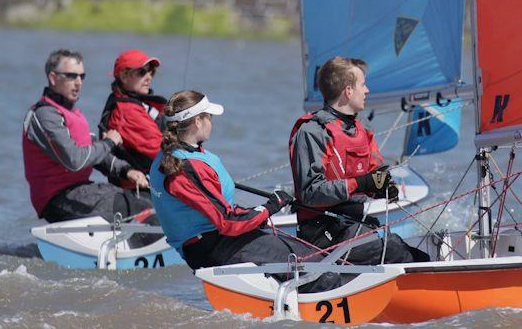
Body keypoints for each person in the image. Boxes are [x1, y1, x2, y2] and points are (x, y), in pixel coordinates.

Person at [149, 90, 337, 282]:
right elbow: (228, 221)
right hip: (212, 247)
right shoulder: (186, 167)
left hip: (217, 240)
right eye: (209, 117)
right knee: (316, 264)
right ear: (198, 122)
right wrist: (269, 207)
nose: (212, 122)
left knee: (309, 252)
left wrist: (255, 216)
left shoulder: (171, 155)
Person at [289, 56, 429, 264]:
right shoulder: (312, 132)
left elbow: (375, 173)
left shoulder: (361, 130)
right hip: (323, 231)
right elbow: (310, 192)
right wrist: (360, 184)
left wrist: (383, 187)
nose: (367, 90)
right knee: (397, 252)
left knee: (416, 254)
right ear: (348, 91)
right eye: (362, 85)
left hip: (353, 223)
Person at [22, 49, 152, 224]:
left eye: (81, 77)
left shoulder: (73, 113)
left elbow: (97, 156)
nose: (78, 83)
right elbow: (74, 161)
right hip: (57, 199)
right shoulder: (45, 115)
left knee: (148, 201)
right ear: (53, 78)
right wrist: (109, 142)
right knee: (135, 207)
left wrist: (126, 170)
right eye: (71, 76)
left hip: (80, 191)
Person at [99, 49, 168, 177]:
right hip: (139, 187)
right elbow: (162, 152)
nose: (149, 78)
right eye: (142, 72)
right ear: (124, 76)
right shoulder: (127, 113)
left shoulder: (135, 103)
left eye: (151, 72)